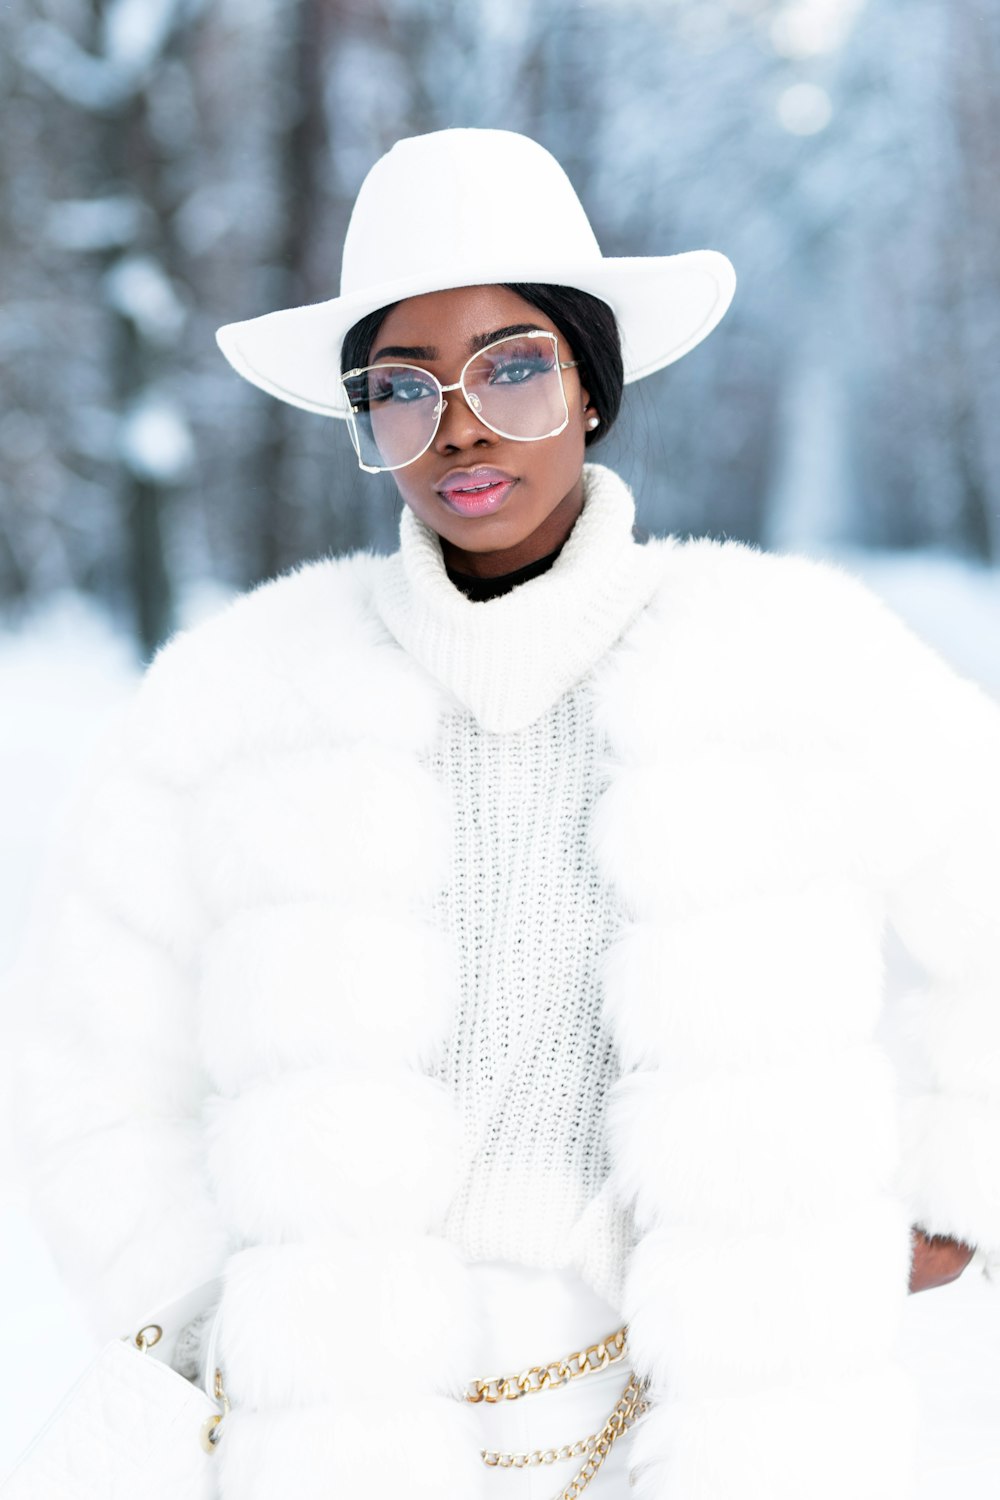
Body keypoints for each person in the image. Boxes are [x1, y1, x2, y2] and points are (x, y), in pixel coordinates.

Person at [11, 127, 1000, 1500]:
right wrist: (223, 1319)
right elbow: (87, 1057)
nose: (460, 423)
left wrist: (951, 1189)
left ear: (591, 386)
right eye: (403, 386)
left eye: (514, 365)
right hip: (344, 1432)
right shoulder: (241, 694)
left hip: (734, 1418)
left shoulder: (789, 654)